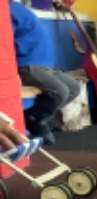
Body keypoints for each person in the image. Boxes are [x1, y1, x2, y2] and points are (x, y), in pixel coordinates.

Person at [10, 1, 81, 145]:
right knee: (59, 91)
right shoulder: (6, 11)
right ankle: (36, 120)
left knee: (74, 88)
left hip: (45, 65)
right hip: (28, 65)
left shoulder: (15, 6)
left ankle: (35, 116)